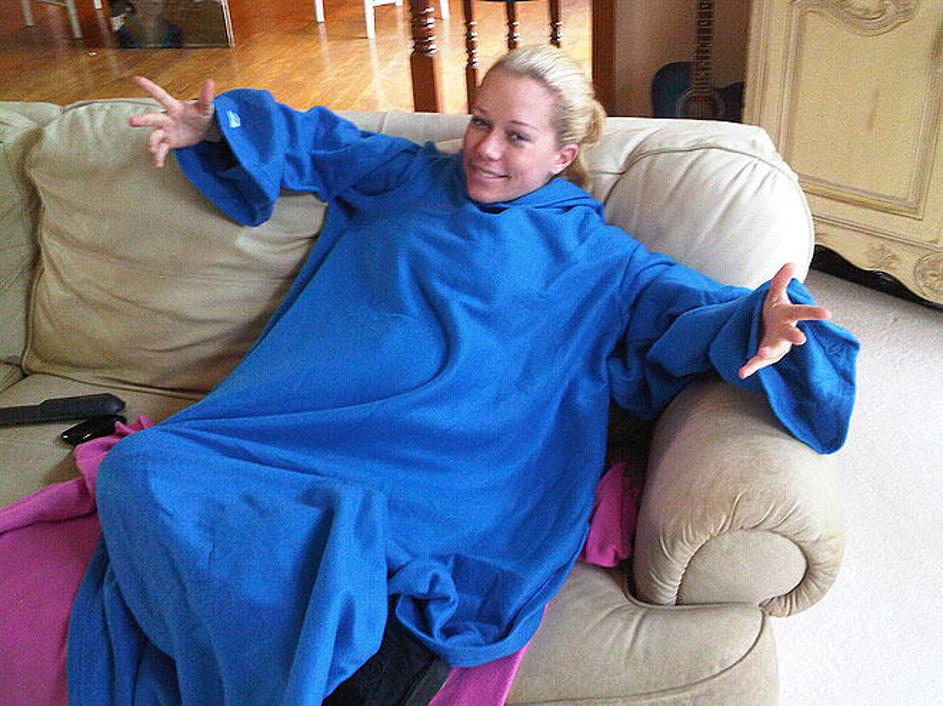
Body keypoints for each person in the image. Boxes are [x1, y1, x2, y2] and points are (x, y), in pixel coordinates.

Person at [67, 46, 859, 705]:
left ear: (562, 155)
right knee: (141, 467)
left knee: (390, 555)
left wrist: (765, 320)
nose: (484, 148)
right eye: (480, 121)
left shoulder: (604, 260)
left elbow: (696, 312)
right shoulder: (406, 175)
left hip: (454, 465)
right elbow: (314, 140)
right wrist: (215, 127)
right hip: (301, 426)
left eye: (516, 136)